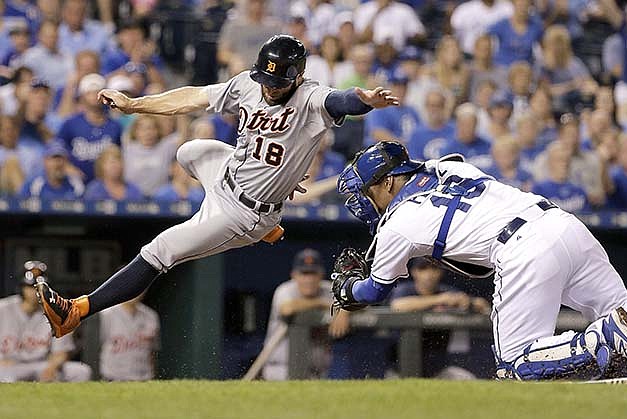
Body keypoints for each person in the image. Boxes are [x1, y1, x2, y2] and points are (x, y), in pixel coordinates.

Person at [34, 34, 399, 339]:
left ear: (298, 77)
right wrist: (135, 105)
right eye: (265, 79)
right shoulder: (248, 84)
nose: (270, 88)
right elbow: (193, 96)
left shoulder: (311, 97)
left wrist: (362, 100)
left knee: (161, 249)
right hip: (226, 174)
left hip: (243, 213)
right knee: (188, 151)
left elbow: (342, 100)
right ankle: (273, 194)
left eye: (279, 82)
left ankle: (76, 311)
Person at [332, 140, 627, 380]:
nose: (364, 200)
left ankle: (599, 340)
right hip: (564, 225)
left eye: (368, 190)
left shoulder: (396, 225)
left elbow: (374, 293)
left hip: (523, 247)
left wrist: (349, 289)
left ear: (388, 181)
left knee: (516, 365)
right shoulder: (446, 165)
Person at [390, 258, 489, 378]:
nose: (429, 274)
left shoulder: (446, 291)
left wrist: (469, 302)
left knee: (467, 380)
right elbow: (397, 305)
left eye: (434, 268)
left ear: (440, 272)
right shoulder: (405, 289)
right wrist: (440, 299)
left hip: (437, 370)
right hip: (401, 370)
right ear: (414, 272)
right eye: (423, 269)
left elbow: (482, 305)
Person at [0, 261, 91, 382]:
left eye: (40, 287)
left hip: (42, 365)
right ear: (22, 288)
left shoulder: (57, 311)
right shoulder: (3, 309)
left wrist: (51, 368)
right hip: (10, 366)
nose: (35, 292)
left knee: (81, 372)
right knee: (6, 376)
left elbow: (61, 352)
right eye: (30, 287)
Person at [262, 249, 337, 380]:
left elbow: (356, 303)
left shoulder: (328, 290)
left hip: (317, 372)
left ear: (321, 275)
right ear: (294, 275)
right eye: (304, 273)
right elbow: (287, 309)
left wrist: (345, 312)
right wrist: (320, 303)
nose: (309, 279)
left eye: (313, 273)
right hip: (280, 369)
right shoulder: (286, 290)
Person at [58, 73, 123, 183]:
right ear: (82, 96)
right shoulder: (71, 123)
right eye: (89, 92)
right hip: (76, 183)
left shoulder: (115, 126)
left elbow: (120, 155)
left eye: (97, 92)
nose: (93, 96)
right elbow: (57, 148)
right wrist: (66, 166)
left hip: (105, 185)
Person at [98, 293, 160, 381]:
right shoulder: (106, 314)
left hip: (144, 377)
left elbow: (153, 351)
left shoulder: (151, 316)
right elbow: (96, 346)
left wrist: (153, 376)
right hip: (112, 377)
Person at [531, 141, 591, 213]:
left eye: (566, 160)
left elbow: (588, 218)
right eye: (560, 160)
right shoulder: (539, 189)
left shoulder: (579, 190)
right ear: (550, 162)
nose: (564, 164)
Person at [18, 140, 85, 199]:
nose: (59, 164)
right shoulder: (33, 185)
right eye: (54, 158)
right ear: (45, 161)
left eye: (62, 159)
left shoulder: (76, 184)